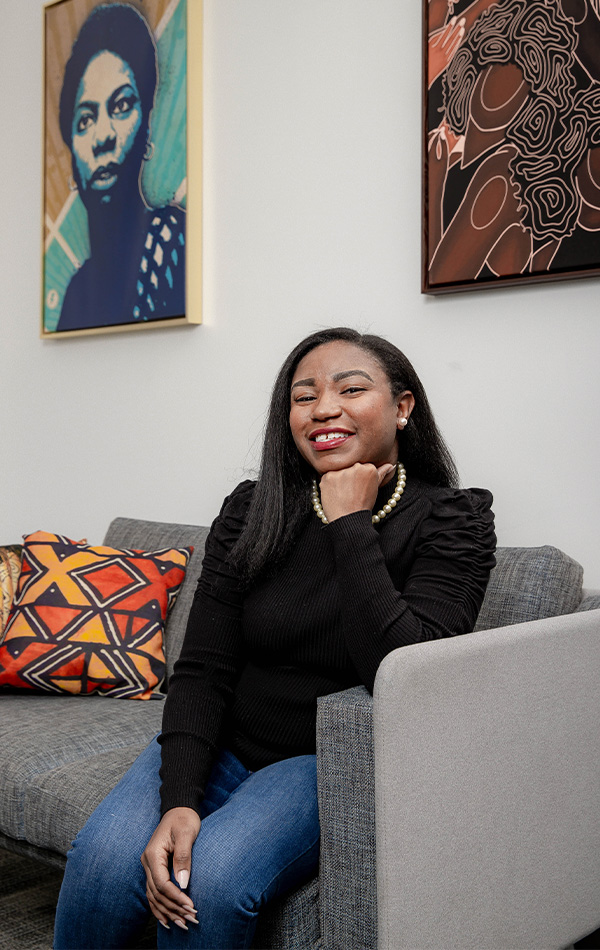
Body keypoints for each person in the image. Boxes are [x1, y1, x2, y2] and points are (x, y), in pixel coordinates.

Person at [53, 327, 496, 948]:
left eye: (351, 389)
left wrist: (350, 524)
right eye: (303, 395)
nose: (323, 409)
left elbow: (402, 673)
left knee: (204, 880)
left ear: (402, 407)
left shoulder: (454, 520)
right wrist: (181, 797)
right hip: (226, 742)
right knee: (103, 861)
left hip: (321, 760)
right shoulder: (254, 509)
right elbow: (203, 668)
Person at [55, 3, 185, 332]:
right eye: (85, 119)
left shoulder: (173, 239)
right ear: (71, 151)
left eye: (122, 105)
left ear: (146, 130)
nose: (103, 136)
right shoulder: (75, 293)